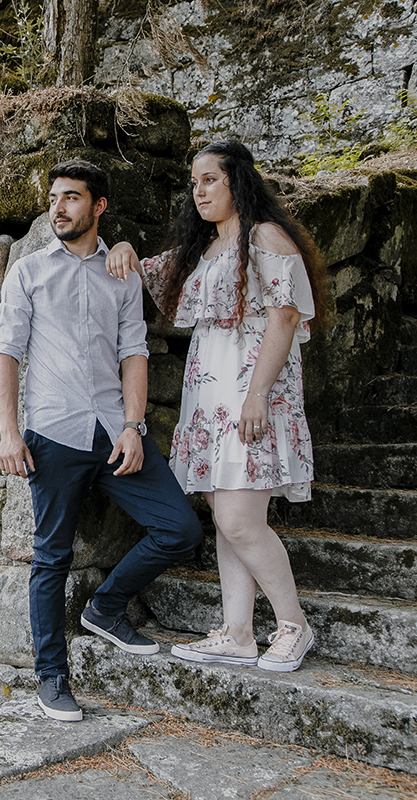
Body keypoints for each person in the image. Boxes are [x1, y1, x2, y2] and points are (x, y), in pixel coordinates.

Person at [106, 140, 329, 673]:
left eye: (210, 179)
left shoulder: (264, 237)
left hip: (253, 396)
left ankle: (294, 625)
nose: (198, 190)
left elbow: (285, 318)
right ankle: (237, 632)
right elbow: (139, 271)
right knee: (228, 520)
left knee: (239, 519)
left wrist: (257, 394)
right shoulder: (205, 250)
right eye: (193, 182)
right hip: (211, 399)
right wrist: (121, 245)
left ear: (238, 182)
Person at [0, 159, 203, 723]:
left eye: (71, 198)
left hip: (114, 431)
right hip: (54, 434)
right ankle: (51, 679)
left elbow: (134, 350)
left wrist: (135, 426)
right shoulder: (29, 271)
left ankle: (106, 607)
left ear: (99, 206)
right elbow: (7, 353)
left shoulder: (121, 272)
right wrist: (9, 432)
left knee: (180, 528)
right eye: (54, 197)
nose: (58, 208)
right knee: (51, 558)